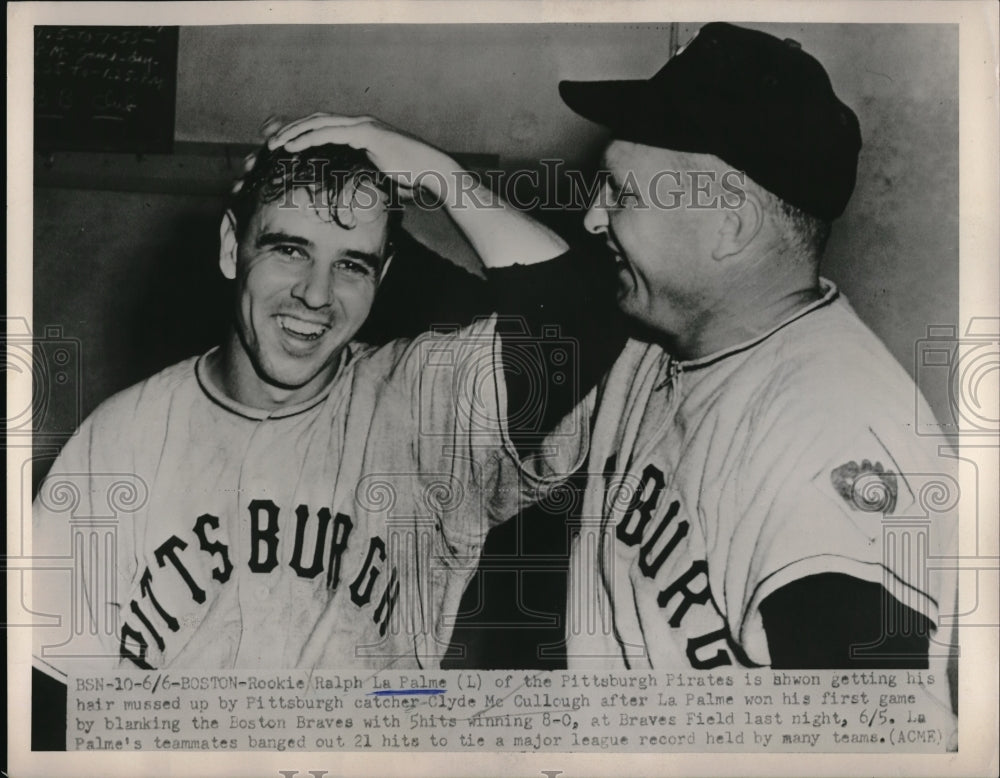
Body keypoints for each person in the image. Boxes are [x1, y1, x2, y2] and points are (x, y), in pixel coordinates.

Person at [31, 127, 614, 696]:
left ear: (383, 275)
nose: (316, 294)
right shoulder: (120, 439)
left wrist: (431, 169)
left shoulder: (419, 402)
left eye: (352, 265)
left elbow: (578, 321)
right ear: (232, 246)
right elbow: (49, 698)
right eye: (289, 250)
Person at [546, 21, 957, 683]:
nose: (595, 218)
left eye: (620, 194)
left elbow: (863, 741)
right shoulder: (659, 343)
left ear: (730, 226)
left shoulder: (831, 432)